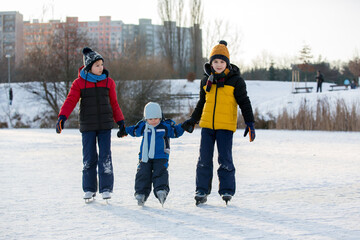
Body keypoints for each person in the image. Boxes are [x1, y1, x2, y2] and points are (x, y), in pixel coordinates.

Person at [181, 40, 255, 205]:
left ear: (227, 63)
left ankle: (227, 190)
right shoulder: (205, 81)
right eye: (216, 61)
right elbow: (202, 103)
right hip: (207, 126)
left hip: (225, 127)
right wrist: (193, 120)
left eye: (222, 61)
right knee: (204, 159)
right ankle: (201, 190)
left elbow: (244, 102)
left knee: (225, 159)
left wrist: (250, 122)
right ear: (211, 63)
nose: (219, 65)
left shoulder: (236, 81)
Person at [56, 47, 126, 201]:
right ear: (89, 67)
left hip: (105, 125)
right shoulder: (79, 83)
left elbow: (114, 104)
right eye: (97, 65)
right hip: (88, 125)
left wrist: (121, 122)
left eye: (102, 64)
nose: (101, 68)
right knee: (89, 157)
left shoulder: (109, 82)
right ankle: (89, 189)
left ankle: (106, 188)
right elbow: (70, 101)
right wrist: (62, 117)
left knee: (105, 157)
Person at [119, 102, 184, 206]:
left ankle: (161, 190)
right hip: (145, 156)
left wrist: (184, 126)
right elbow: (134, 130)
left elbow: (175, 132)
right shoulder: (143, 126)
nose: (153, 121)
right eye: (150, 119)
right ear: (146, 118)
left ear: (160, 117)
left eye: (155, 118)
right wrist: (124, 131)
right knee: (143, 173)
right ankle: (141, 193)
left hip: (161, 155)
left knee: (160, 172)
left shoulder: (165, 126)